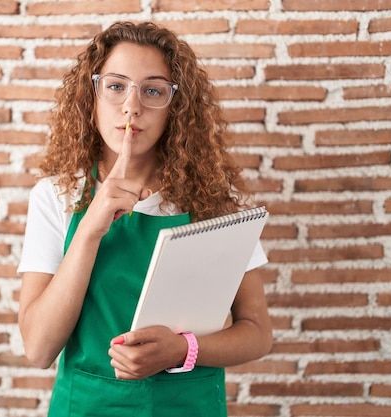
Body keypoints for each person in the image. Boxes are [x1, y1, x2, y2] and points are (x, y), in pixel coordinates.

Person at [17, 21, 272, 417]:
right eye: (116, 86)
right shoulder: (56, 196)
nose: (132, 106)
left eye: (153, 90)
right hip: (88, 407)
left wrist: (184, 349)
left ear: (177, 108)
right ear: (92, 95)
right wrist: (89, 229)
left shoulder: (216, 202)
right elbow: (38, 349)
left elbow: (257, 333)